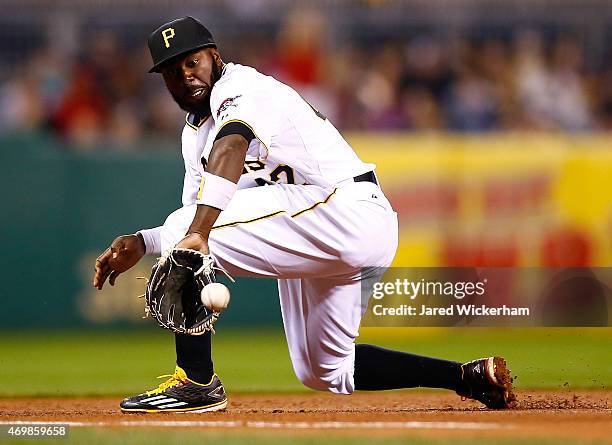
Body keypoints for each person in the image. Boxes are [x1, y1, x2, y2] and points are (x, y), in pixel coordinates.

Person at [92, 17, 515, 413]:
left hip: (347, 211)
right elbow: (194, 210)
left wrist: (192, 234)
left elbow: (230, 151)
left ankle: (197, 382)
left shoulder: (244, 88)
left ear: (215, 57)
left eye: (192, 61)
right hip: (316, 229)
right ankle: (468, 377)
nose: (185, 74)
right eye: (171, 70)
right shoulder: (193, 133)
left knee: (190, 234)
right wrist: (145, 241)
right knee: (324, 370)